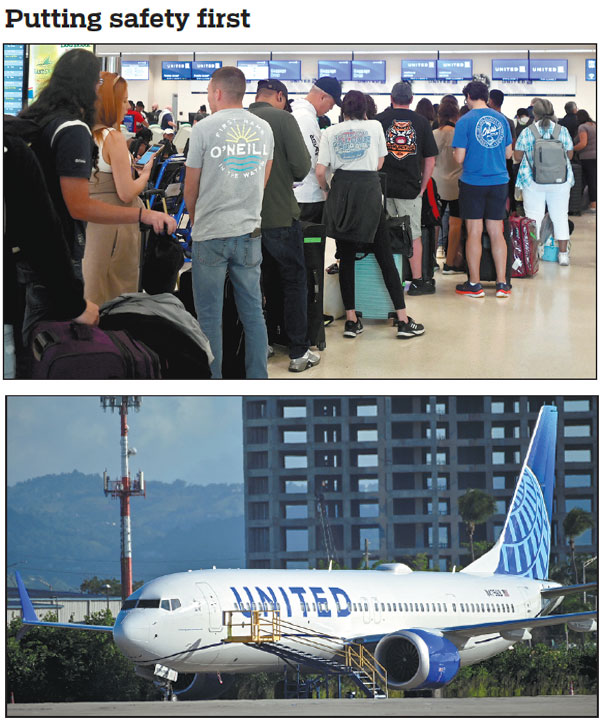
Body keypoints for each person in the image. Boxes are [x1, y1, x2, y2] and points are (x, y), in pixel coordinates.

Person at [18, 48, 175, 288]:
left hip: (33, 241)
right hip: (65, 242)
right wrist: (144, 212)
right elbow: (82, 205)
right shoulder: (76, 131)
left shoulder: (40, 120)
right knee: (101, 300)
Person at [184, 66, 274, 379]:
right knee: (253, 313)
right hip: (249, 233)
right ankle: (257, 378)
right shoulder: (263, 128)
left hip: (210, 233)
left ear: (218, 93)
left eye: (210, 92)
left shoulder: (203, 129)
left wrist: (197, 222)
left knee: (209, 318)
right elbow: (263, 177)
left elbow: (190, 185)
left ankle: (214, 382)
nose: (209, 97)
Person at [316, 90, 425, 340]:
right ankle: (402, 319)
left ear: (343, 110)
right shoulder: (375, 126)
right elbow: (378, 164)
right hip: (368, 193)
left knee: (346, 258)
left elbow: (321, 170)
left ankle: (352, 321)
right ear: (366, 109)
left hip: (342, 192)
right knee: (384, 255)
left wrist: (328, 191)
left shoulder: (330, 132)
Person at [248, 79, 317, 372]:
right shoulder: (283, 119)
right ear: (279, 96)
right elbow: (302, 167)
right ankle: (298, 353)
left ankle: (259, 345)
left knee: (253, 284)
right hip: (279, 215)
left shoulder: (239, 119)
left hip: (245, 220)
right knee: (293, 281)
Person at [83, 71, 158, 306]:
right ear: (110, 102)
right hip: (115, 227)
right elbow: (125, 192)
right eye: (124, 100)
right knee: (115, 293)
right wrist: (144, 175)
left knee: (92, 288)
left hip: (89, 222)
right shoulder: (113, 137)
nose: (127, 106)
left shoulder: (82, 132)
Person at [375, 81, 438, 295]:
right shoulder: (421, 122)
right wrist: (423, 186)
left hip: (382, 188)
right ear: (411, 100)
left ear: (391, 99)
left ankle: (389, 280)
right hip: (410, 188)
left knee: (383, 234)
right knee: (413, 234)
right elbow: (430, 159)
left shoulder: (379, 121)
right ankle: (418, 281)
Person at [452, 80, 513, 298]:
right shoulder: (502, 119)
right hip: (498, 181)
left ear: (468, 96)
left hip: (473, 182)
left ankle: (475, 285)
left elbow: (459, 158)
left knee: (474, 232)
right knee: (497, 232)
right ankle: (502, 284)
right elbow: (508, 154)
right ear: (486, 96)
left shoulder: (464, 121)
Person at [514, 99, 575, 266]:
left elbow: (517, 157)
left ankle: (533, 254)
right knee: (560, 216)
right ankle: (563, 255)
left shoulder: (527, 132)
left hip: (533, 181)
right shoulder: (562, 131)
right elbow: (569, 155)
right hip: (559, 181)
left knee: (533, 218)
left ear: (534, 114)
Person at [292, 77, 342, 223]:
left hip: (300, 194)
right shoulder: (306, 118)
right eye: (331, 105)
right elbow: (316, 160)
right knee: (311, 242)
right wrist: (326, 188)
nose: (330, 109)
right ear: (322, 97)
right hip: (308, 197)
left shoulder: (297, 112)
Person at [432, 101, 464, 275]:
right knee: (455, 222)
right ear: (456, 116)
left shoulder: (433, 134)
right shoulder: (460, 134)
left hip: (436, 183)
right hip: (457, 184)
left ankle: (431, 262)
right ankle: (451, 263)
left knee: (434, 223)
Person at [573, 109, 596, 211]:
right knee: (594, 180)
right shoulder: (594, 125)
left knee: (590, 181)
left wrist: (571, 149)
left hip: (587, 157)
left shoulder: (582, 127)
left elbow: (583, 143)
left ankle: (593, 205)